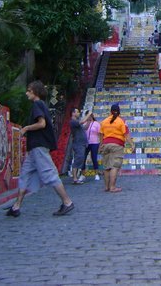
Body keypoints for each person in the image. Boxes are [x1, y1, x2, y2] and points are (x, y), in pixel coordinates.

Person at [6, 81, 74, 217]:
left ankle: (67, 202)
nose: (26, 93)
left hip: (38, 146)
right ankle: (16, 206)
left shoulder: (37, 104)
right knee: (25, 174)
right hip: (35, 147)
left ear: (35, 92)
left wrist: (26, 128)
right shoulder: (41, 105)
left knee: (50, 174)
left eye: (29, 91)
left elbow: (41, 123)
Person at [99, 104, 135, 193]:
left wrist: (101, 145)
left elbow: (100, 134)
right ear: (119, 112)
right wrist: (132, 144)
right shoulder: (121, 121)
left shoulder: (104, 121)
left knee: (107, 167)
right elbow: (126, 134)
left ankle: (106, 187)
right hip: (117, 145)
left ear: (110, 111)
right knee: (115, 166)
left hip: (106, 144)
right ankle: (112, 187)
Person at [80, 111, 101, 180]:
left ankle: (96, 174)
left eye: (89, 115)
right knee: (83, 158)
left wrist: (101, 143)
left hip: (94, 143)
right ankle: (82, 174)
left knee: (94, 158)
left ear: (91, 116)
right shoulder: (85, 123)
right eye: (87, 115)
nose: (88, 117)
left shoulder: (96, 124)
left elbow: (100, 134)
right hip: (86, 143)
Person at [69, 108, 88, 184]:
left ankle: (76, 177)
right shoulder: (73, 122)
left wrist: (89, 120)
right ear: (73, 113)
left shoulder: (76, 123)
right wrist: (88, 114)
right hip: (78, 144)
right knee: (78, 159)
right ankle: (75, 178)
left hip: (81, 143)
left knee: (80, 159)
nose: (79, 113)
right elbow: (82, 121)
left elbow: (85, 127)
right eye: (77, 112)